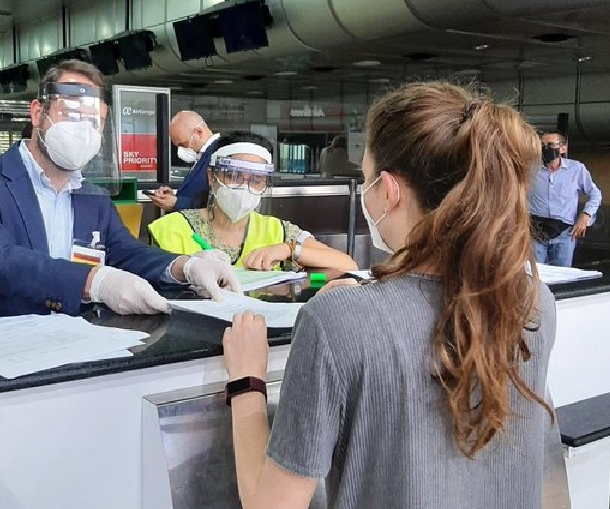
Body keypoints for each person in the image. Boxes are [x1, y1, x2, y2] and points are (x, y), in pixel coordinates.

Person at [221, 82, 556, 509]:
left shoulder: (336, 320)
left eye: (366, 179)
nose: (366, 193)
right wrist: (364, 301)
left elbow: (270, 505)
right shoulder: (533, 301)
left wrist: (247, 381)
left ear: (391, 191)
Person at [0, 60, 240, 326]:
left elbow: (125, 252)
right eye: (71, 114)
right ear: (38, 113)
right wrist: (94, 281)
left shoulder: (92, 195)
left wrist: (183, 267)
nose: (83, 131)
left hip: (69, 350)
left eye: (95, 122)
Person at [148, 132, 358, 272]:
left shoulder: (277, 231)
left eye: (256, 180)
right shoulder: (171, 229)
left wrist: (291, 255)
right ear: (212, 177)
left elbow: (346, 266)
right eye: (234, 175)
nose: (244, 187)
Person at [528, 130, 602, 267]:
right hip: (536, 231)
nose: (546, 149)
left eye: (550, 144)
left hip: (565, 233)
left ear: (563, 148)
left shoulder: (576, 169)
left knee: (563, 277)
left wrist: (585, 215)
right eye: (542, 145)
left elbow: (595, 194)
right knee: (535, 276)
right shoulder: (530, 169)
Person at [148, 111, 220, 212]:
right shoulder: (201, 156)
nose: (180, 151)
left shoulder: (219, 154)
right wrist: (175, 197)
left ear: (199, 132)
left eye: (183, 144)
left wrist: (177, 203)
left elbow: (217, 203)